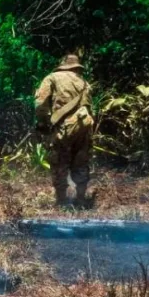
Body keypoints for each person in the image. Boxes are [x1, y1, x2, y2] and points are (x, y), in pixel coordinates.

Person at [34, 54, 95, 207]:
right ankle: (81, 199)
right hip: (84, 125)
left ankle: (61, 201)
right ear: (76, 67)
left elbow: (41, 104)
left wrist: (43, 123)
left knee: (59, 160)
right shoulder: (84, 82)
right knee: (80, 161)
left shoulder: (52, 78)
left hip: (64, 127)